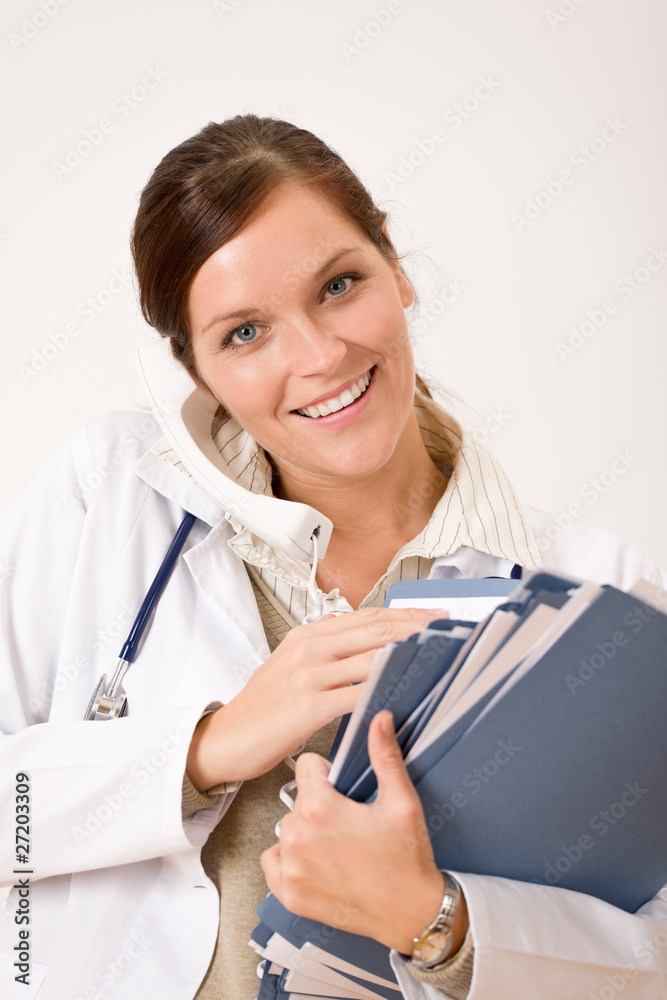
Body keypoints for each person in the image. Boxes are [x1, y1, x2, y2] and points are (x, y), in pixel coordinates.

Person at [0, 114, 665, 1000]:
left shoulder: (596, 592)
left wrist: (439, 922)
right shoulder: (111, 495)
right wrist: (202, 750)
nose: (318, 357)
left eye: (339, 285)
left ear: (394, 264)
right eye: (244, 333)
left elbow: (647, 959)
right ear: (196, 370)